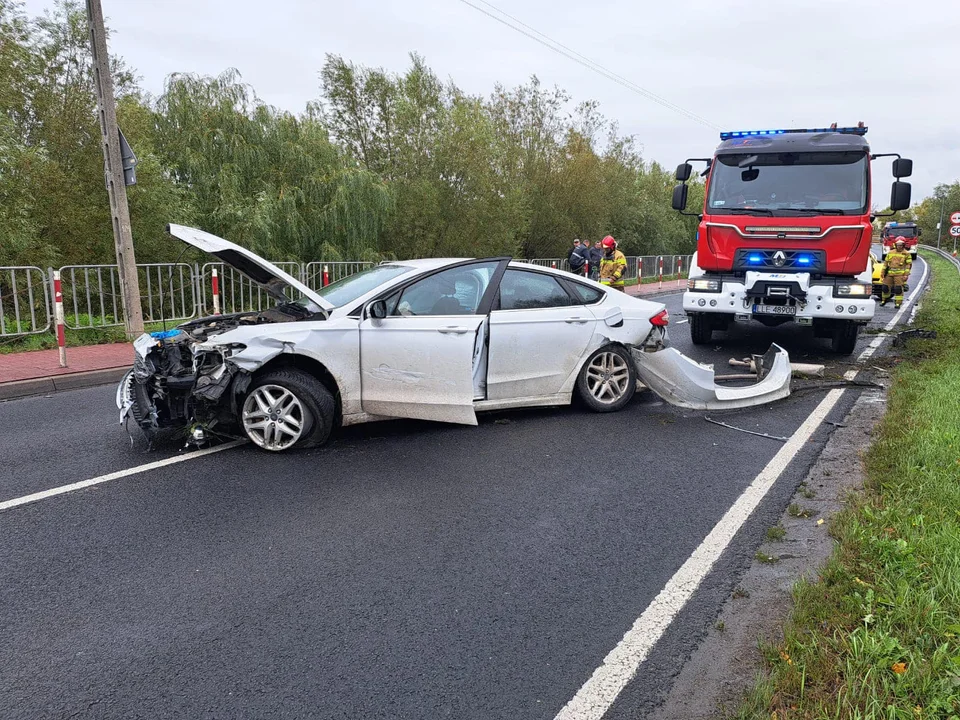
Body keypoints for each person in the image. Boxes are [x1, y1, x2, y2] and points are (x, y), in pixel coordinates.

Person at [881, 237, 912, 308]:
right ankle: (884, 300)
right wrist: (883, 272)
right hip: (889, 273)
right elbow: (886, 263)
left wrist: (906, 275)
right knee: (885, 287)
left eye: (901, 245)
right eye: (898, 245)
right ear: (895, 245)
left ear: (903, 245)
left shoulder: (906, 254)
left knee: (898, 289)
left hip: (899, 275)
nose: (899, 246)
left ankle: (898, 303)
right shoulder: (891, 252)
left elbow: (908, 265)